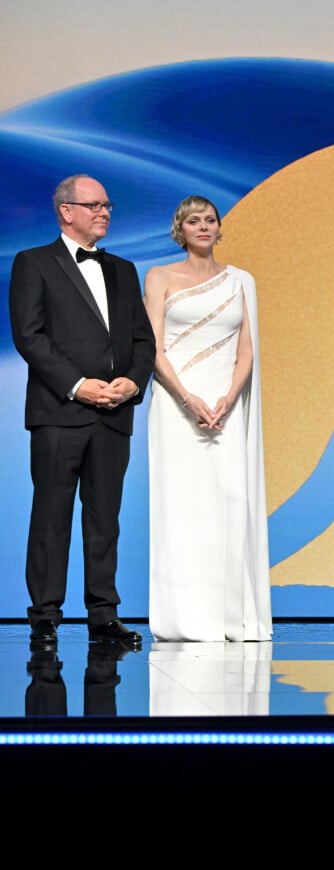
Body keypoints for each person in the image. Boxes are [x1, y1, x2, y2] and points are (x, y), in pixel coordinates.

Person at [9, 174, 156, 650]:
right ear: (65, 211)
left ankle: (103, 616)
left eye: (108, 205)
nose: (104, 213)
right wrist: (78, 386)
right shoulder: (33, 263)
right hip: (58, 411)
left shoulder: (124, 269)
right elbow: (30, 337)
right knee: (51, 516)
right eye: (94, 205)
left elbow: (142, 340)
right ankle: (45, 616)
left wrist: (132, 381)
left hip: (114, 413)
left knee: (105, 518)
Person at [143, 195, 272, 641]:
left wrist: (229, 399)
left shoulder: (242, 281)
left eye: (210, 220)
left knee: (229, 503)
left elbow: (247, 352)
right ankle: (183, 618)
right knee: (183, 508)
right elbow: (153, 350)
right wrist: (187, 399)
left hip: (226, 408)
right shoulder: (159, 277)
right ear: (181, 230)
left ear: (220, 228)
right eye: (193, 221)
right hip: (177, 407)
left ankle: (230, 617)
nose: (203, 226)